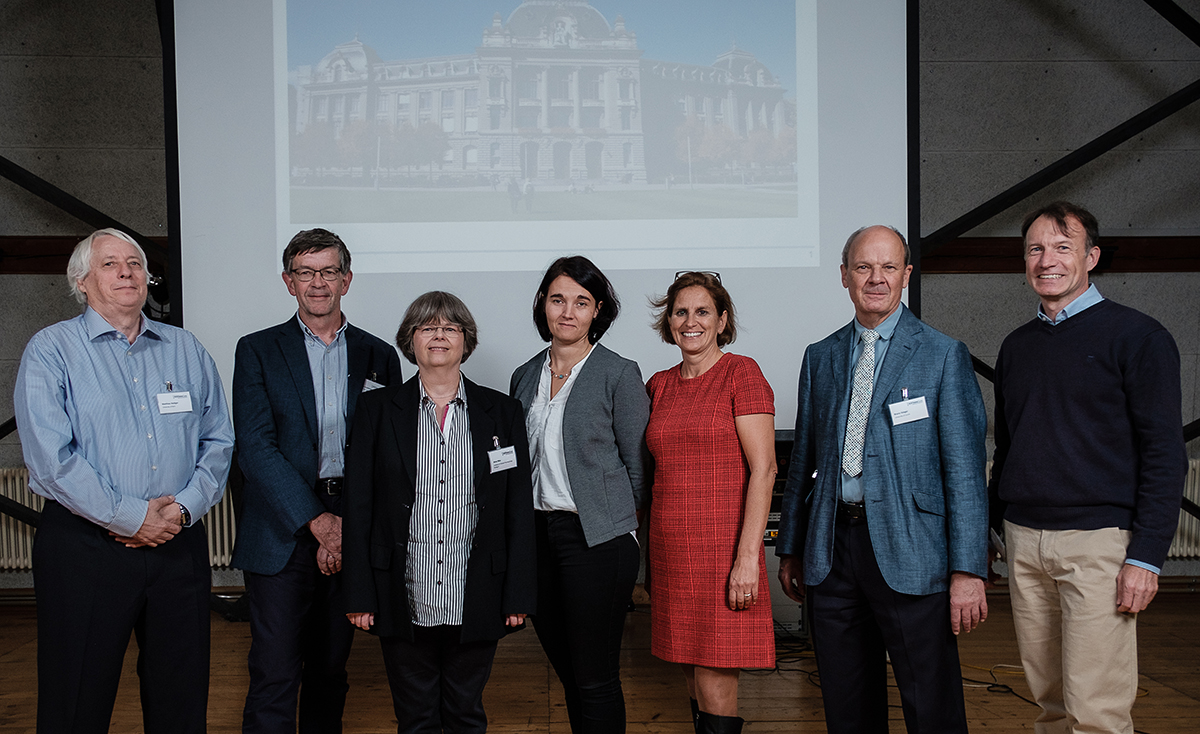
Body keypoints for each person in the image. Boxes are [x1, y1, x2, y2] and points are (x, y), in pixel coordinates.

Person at [13, 228, 234, 734]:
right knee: (76, 698)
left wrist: (179, 511)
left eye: (134, 263)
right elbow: (52, 460)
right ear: (82, 281)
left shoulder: (184, 347)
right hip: (86, 545)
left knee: (181, 696)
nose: (127, 272)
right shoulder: (51, 351)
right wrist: (133, 518)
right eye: (110, 264)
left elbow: (218, 440)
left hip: (177, 542)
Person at [776, 225, 988, 734]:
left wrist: (968, 570)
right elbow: (804, 457)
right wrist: (791, 547)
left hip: (914, 553)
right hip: (832, 551)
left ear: (906, 275)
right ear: (844, 276)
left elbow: (964, 471)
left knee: (931, 704)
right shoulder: (820, 357)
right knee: (847, 705)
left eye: (888, 267)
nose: (876, 278)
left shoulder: (942, 354)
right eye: (864, 267)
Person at [989, 201, 1187, 733]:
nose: (1046, 260)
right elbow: (1008, 448)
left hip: (1099, 545)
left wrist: (1146, 557)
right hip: (1025, 542)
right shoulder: (1017, 346)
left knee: (1096, 707)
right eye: (1035, 249)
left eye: (1062, 247)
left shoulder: (1139, 338)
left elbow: (1165, 455)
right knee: (1049, 701)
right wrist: (990, 526)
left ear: (1091, 257)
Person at [231, 228, 404, 733]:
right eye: (306, 272)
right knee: (274, 671)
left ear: (346, 281)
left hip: (355, 523)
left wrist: (347, 526)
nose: (318, 283)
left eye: (328, 271)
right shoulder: (257, 350)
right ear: (289, 282)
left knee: (331, 669)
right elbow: (256, 448)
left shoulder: (379, 355)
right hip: (281, 528)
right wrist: (318, 522)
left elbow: (387, 454)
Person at [343, 291, 536, 733]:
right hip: (402, 591)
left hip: (478, 593)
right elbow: (358, 507)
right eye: (427, 327)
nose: (439, 336)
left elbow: (517, 509)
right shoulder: (377, 411)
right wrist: (358, 594)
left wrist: (518, 595)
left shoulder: (502, 412)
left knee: (466, 714)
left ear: (465, 341)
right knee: (415, 718)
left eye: (450, 327)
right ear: (409, 341)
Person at [510, 256, 650, 734]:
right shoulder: (524, 375)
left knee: (595, 677)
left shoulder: (619, 373)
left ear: (598, 311)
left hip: (597, 540)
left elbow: (638, 467)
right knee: (569, 671)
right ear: (543, 306)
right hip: (538, 538)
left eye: (581, 302)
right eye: (558, 299)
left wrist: (615, 525)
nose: (568, 312)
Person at [644, 272, 776, 734]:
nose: (690, 321)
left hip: (723, 552)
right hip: (671, 554)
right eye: (681, 311)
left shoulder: (742, 373)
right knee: (689, 671)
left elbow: (765, 470)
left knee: (715, 677)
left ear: (722, 320)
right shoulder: (658, 384)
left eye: (702, 311)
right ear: (669, 321)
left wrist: (747, 560)